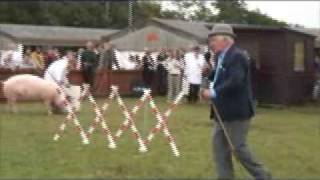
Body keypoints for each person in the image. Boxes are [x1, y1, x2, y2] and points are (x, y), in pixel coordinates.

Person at [201, 24, 271, 179]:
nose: (210, 44)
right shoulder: (220, 56)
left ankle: (263, 176)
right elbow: (222, 76)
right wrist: (210, 73)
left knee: (238, 148)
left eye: (213, 40)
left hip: (236, 111)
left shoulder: (237, 56)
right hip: (221, 111)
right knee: (219, 148)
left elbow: (236, 81)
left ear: (225, 40)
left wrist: (213, 92)